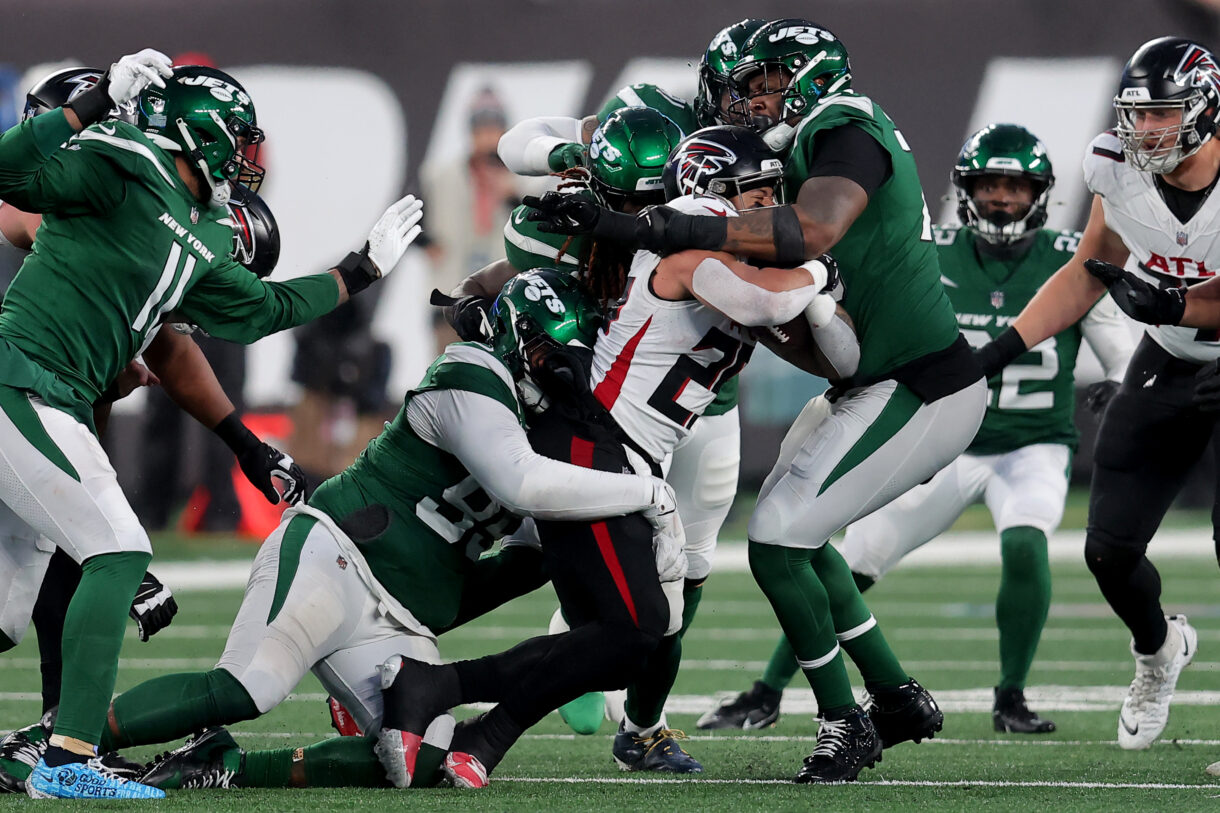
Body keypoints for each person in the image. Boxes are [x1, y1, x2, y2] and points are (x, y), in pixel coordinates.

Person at [526, 18, 987, 783]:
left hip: (919, 382)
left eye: (765, 83)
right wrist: (797, 292)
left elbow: (812, 228)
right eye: (745, 85)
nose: (745, 101)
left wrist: (641, 226)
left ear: (808, 81)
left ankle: (846, 722)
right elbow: (826, 342)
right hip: (870, 380)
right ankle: (895, 696)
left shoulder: (844, 125)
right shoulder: (778, 165)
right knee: (801, 539)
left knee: (776, 540)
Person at [0, 51, 422, 799]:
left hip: (52, 396)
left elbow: (262, 311)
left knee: (5, 611)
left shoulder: (196, 224)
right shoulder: (120, 157)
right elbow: (8, 179)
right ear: (204, 131)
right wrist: (94, 101)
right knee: (120, 548)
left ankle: (53, 751)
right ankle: (66, 760)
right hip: (21, 379)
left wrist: (360, 270)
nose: (248, 154)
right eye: (238, 135)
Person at [93, 268, 680, 793]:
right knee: (250, 687)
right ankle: (62, 739)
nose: (567, 373)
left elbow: (529, 556)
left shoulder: (553, 424)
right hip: (338, 556)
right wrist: (650, 492)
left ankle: (225, 766)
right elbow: (521, 484)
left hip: (395, 613)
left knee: (426, 761)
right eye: (556, 355)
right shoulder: (470, 373)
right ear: (519, 339)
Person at [699, 123, 1134, 735]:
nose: (1002, 199)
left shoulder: (1069, 259)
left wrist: (1121, 375)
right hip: (936, 434)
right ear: (964, 190)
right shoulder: (932, 249)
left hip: (1031, 442)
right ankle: (766, 689)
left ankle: (1010, 695)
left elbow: (1117, 339)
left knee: (1024, 539)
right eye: (989, 185)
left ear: (1040, 194)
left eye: (1015, 186)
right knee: (844, 555)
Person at [978, 37, 1220, 751]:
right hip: (1171, 359)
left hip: (1187, 335)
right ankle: (1158, 650)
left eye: (1162, 116)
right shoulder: (1114, 168)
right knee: (1109, 550)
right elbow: (1091, 269)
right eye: (1136, 116)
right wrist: (1001, 349)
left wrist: (1172, 304)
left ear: (1206, 109)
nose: (1143, 132)